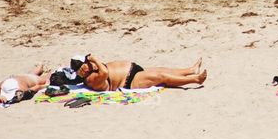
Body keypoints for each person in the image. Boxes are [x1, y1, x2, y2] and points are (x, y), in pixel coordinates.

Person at [78, 54, 207, 91]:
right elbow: (105, 72)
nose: (85, 67)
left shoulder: (92, 69)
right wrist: (94, 59)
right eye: (81, 69)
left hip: (133, 71)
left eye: (84, 64)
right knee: (161, 77)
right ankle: (195, 79)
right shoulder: (91, 79)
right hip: (129, 82)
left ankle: (191, 70)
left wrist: (91, 63)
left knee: (162, 70)